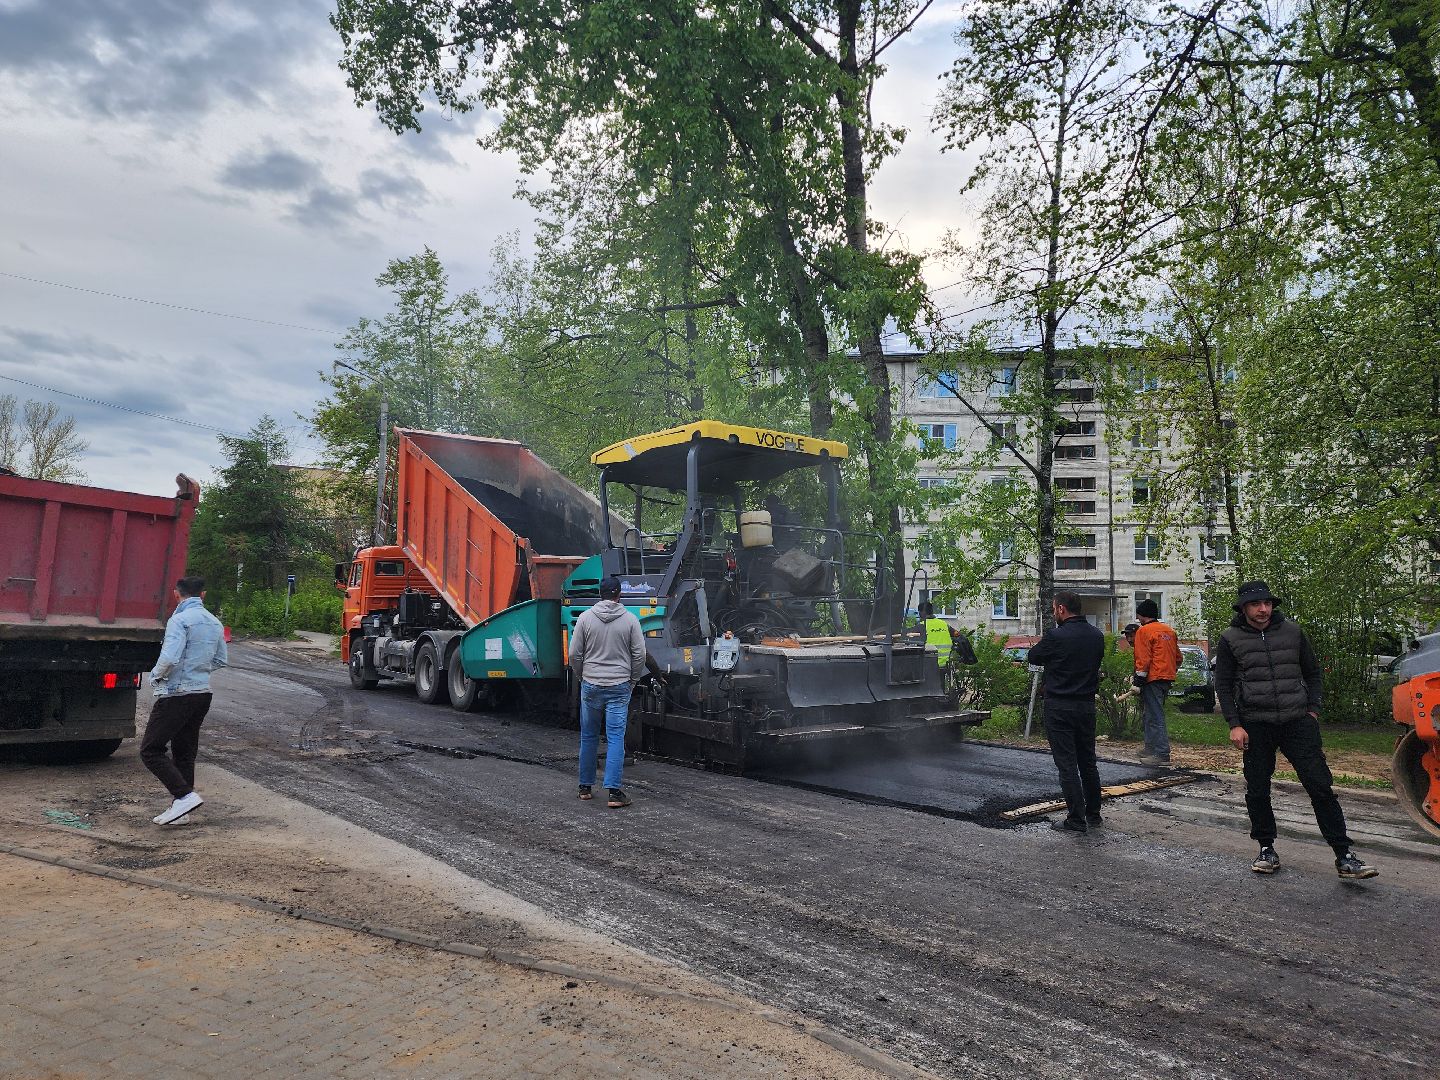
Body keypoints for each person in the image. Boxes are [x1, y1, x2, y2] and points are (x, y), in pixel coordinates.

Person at [1214, 580, 1379, 880]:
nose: (1263, 609)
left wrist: (1312, 711)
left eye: (1267, 603)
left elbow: (1313, 673)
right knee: (1258, 788)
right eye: (1255, 604)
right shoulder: (1230, 638)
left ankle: (1344, 855)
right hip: (1256, 724)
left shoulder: (1293, 632)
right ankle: (1266, 848)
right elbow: (1223, 685)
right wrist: (1235, 724)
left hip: (1297, 721)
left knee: (1320, 787)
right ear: (1243, 608)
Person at [143, 575, 227, 826]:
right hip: (202, 694)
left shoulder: (178, 620)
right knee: (184, 752)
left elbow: (169, 658)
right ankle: (182, 809)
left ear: (176, 595)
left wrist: (156, 678)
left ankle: (184, 796)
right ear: (203, 595)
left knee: (150, 750)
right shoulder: (214, 622)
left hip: (177, 694)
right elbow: (221, 659)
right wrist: (198, 673)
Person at [1026, 591, 1106, 833]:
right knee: (1088, 762)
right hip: (1086, 706)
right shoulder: (1096, 636)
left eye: (1053, 609)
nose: (1053, 612)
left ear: (1061, 609)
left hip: (1060, 707)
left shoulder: (1056, 636)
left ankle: (1075, 819)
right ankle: (1094, 813)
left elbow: (1033, 655)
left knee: (1067, 764)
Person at [568, 575, 647, 809]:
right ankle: (614, 793)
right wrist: (632, 679)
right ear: (618, 594)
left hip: (591, 685)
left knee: (589, 736)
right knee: (614, 738)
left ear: (600, 594)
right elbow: (640, 655)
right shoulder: (631, 621)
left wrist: (583, 675)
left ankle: (585, 787)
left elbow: (574, 654)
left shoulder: (584, 619)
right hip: (619, 686)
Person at [1131, 599, 1182, 765]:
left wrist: (1138, 680)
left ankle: (1161, 753)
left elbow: (1143, 658)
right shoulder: (1169, 631)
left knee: (1155, 715)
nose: (1137, 619)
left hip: (1152, 678)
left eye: (1138, 615)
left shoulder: (1144, 631)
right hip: (1166, 678)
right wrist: (1169, 671)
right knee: (1150, 713)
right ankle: (1150, 748)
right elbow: (1178, 658)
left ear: (1142, 615)